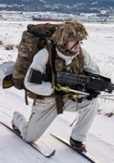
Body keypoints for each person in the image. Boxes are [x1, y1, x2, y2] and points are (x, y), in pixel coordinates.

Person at [11, 20, 100, 152]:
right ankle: (17, 118)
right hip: (46, 101)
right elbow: (29, 83)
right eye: (74, 40)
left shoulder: (81, 54)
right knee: (29, 137)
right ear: (63, 40)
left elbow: (95, 72)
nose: (78, 45)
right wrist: (54, 88)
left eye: (80, 41)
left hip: (68, 97)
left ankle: (77, 138)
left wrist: (91, 87)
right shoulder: (45, 55)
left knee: (92, 103)